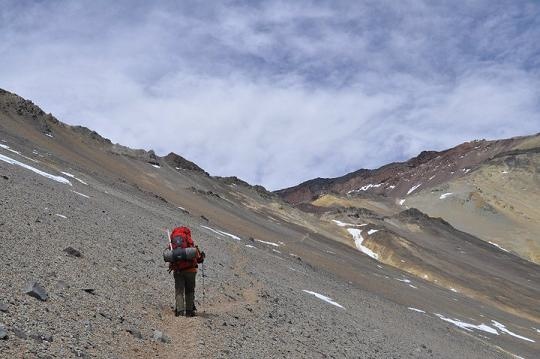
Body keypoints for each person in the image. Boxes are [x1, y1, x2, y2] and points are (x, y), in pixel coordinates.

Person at [167, 226, 205, 317]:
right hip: (191, 270)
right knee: (190, 290)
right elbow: (198, 257)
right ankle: (189, 311)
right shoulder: (189, 240)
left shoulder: (172, 242)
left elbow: (170, 256)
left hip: (178, 270)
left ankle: (180, 312)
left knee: (179, 290)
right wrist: (202, 257)